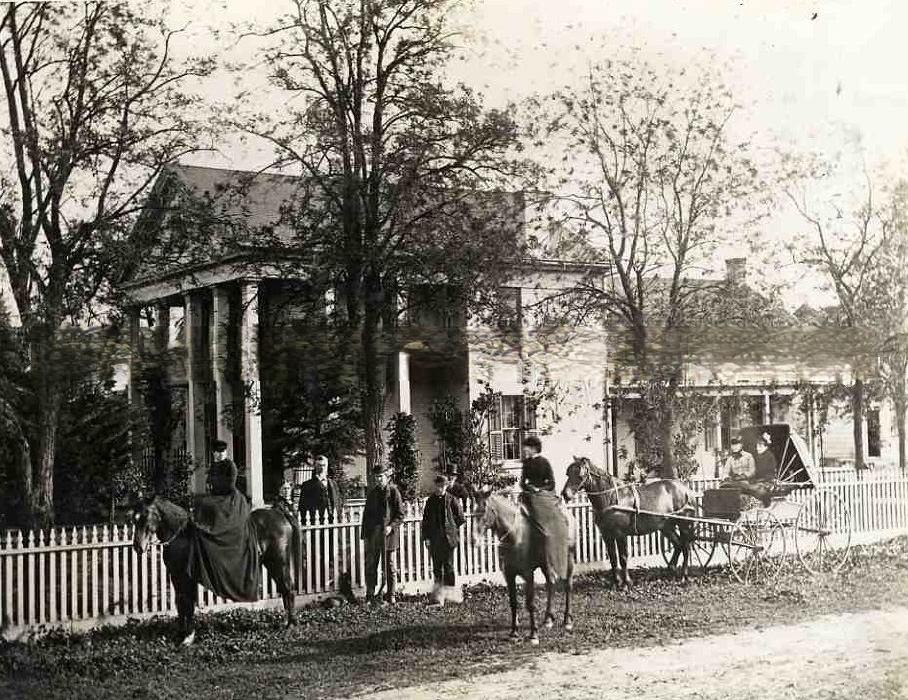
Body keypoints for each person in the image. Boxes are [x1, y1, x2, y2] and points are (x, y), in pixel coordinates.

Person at [361, 464, 404, 605]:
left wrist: (391, 527)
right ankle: (370, 594)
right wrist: (365, 535)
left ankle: (391, 594)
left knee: (390, 566)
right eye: (376, 477)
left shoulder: (393, 492)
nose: (379, 479)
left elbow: (400, 514)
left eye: (381, 476)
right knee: (371, 565)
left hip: (389, 536)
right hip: (374, 535)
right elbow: (366, 516)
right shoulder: (372, 493)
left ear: (387, 477)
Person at [421, 474, 465, 607]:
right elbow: (426, 522)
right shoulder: (430, 501)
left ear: (446, 486)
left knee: (449, 567)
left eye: (442, 486)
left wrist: (451, 528)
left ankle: (451, 595)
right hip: (435, 540)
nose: (439, 489)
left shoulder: (452, 500)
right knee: (436, 568)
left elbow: (460, 518)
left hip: (448, 540)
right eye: (437, 486)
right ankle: (438, 596)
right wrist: (427, 538)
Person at [298, 455, 341, 524]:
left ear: (327, 466)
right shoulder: (307, 485)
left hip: (333, 520)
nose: (322, 468)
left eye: (324, 465)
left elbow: (338, 502)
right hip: (317, 521)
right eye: (319, 465)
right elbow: (302, 506)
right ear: (315, 466)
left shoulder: (333, 484)